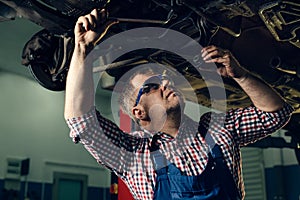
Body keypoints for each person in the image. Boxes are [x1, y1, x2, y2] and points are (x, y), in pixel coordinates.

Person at [64, 9, 294, 200]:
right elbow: (80, 120)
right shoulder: (134, 156)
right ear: (139, 112)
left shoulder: (218, 129)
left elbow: (276, 114)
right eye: (153, 84)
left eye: (165, 77)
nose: (165, 81)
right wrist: (82, 48)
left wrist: (241, 75)